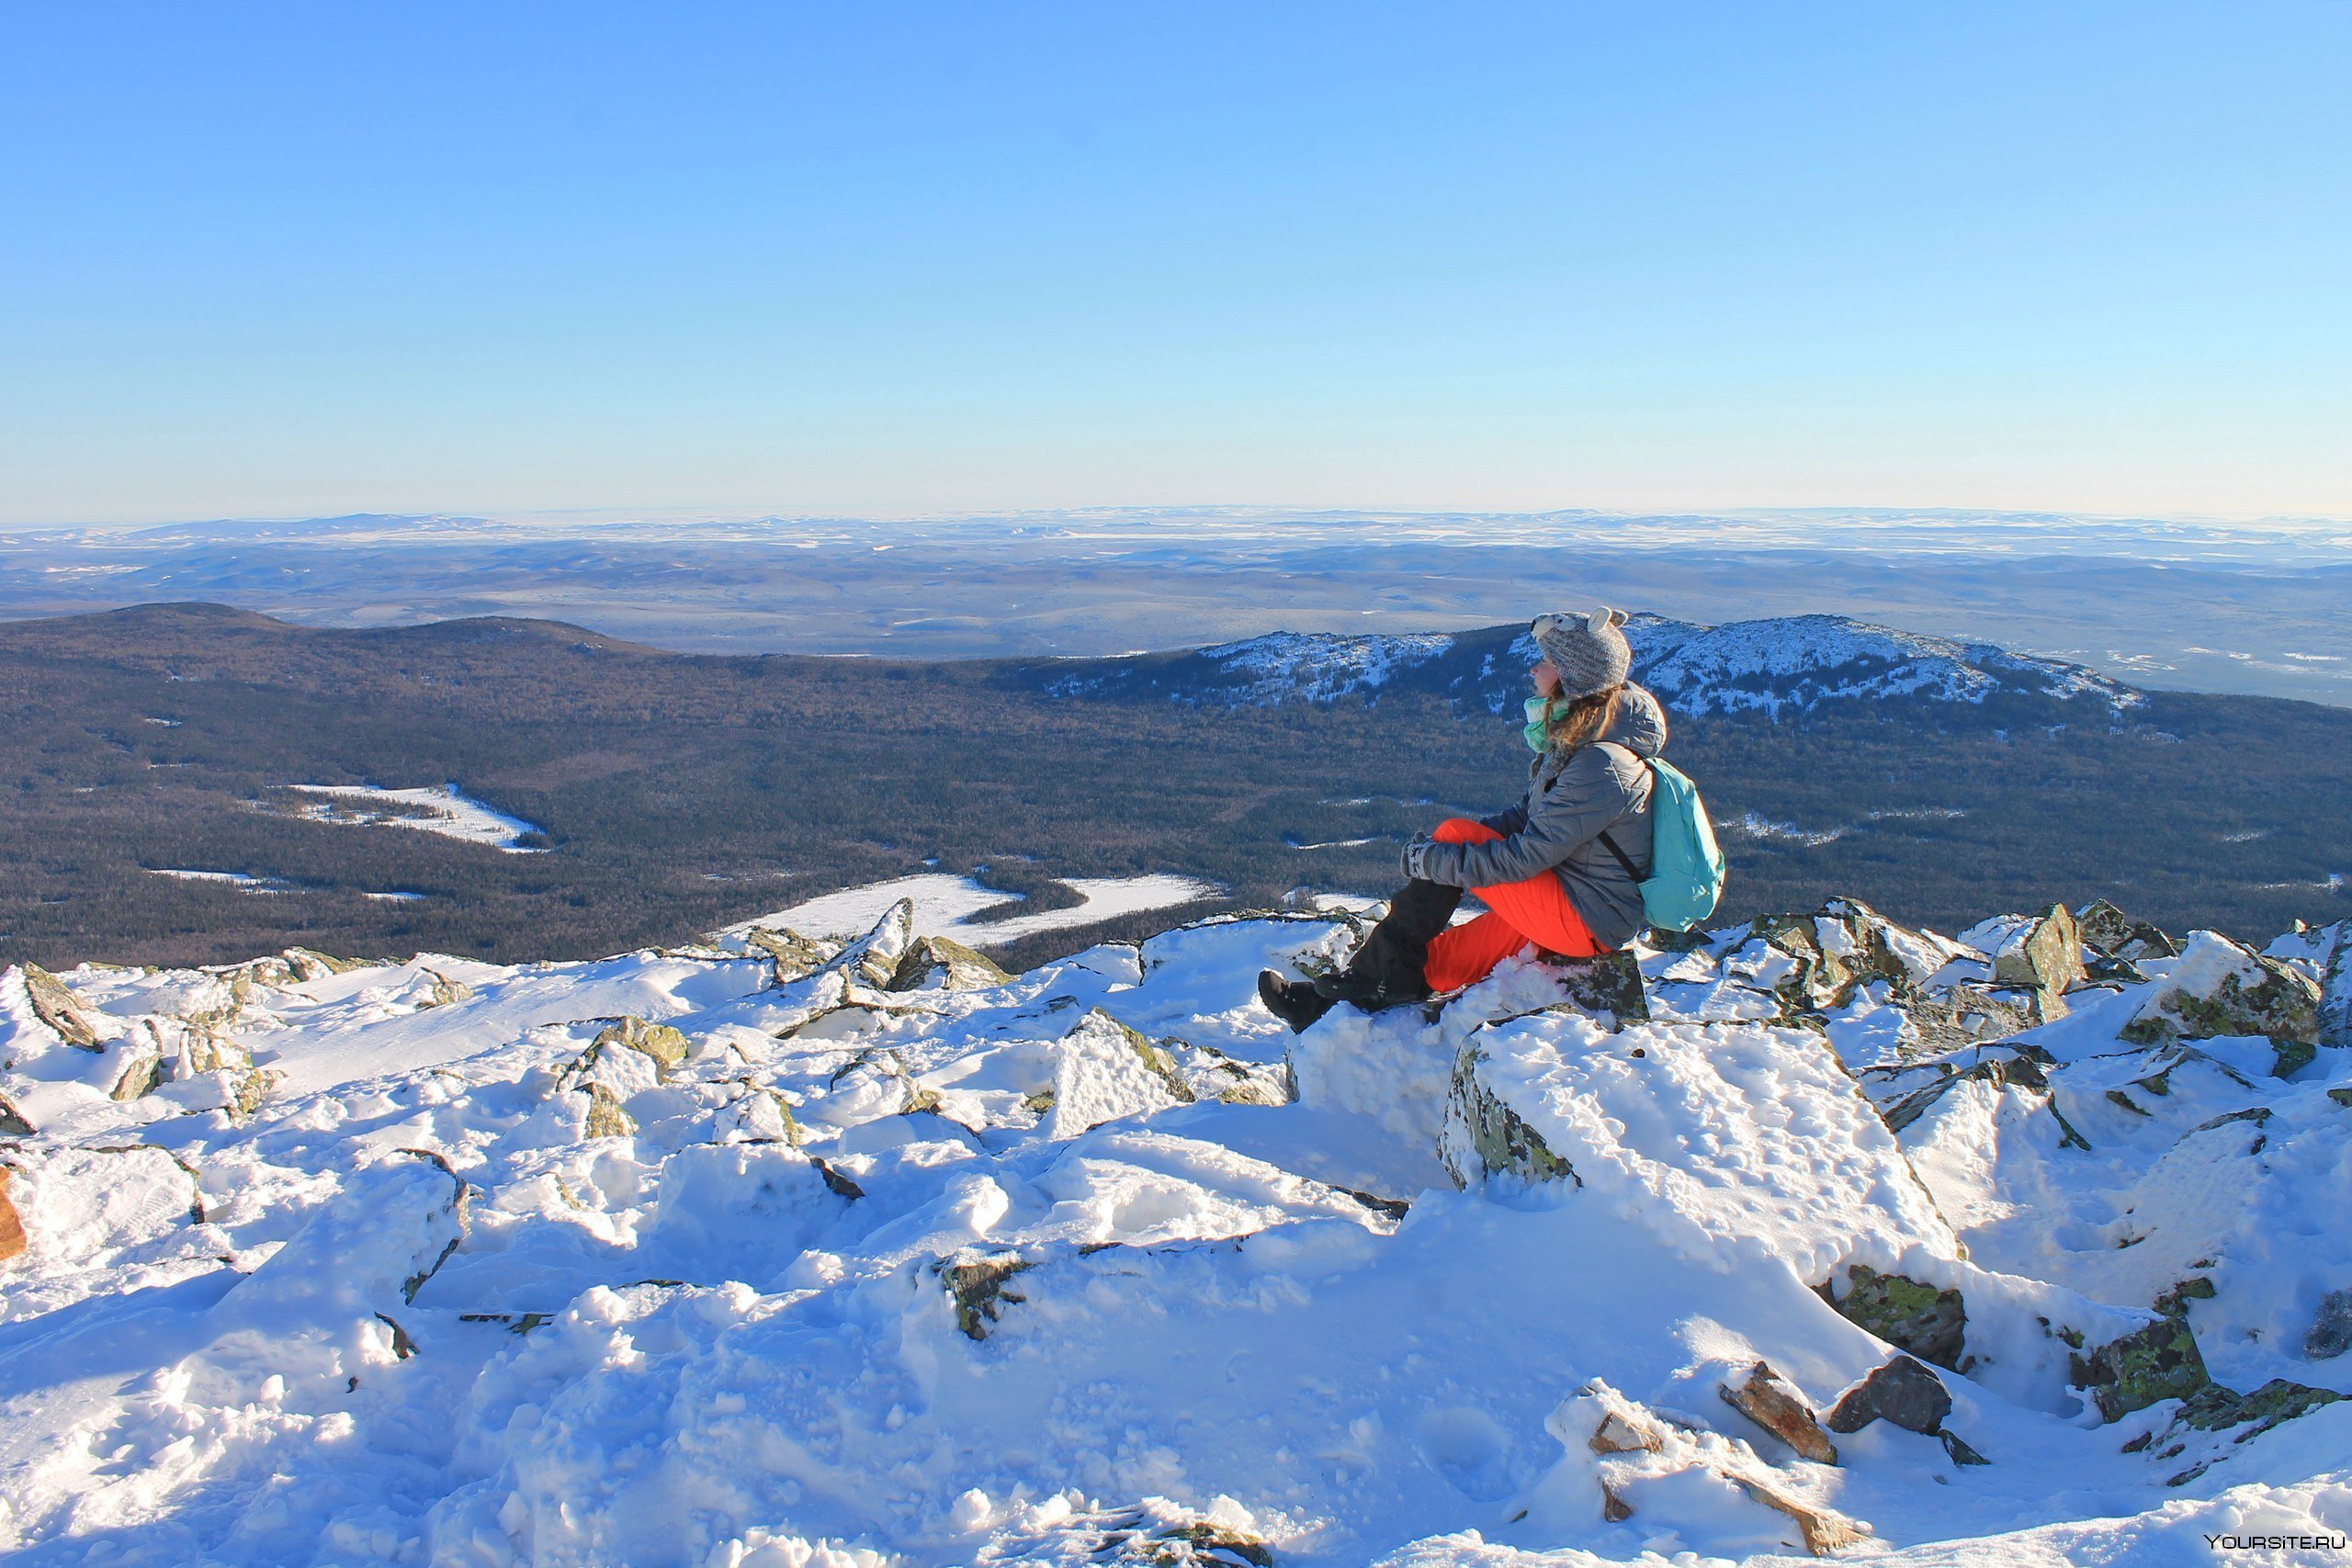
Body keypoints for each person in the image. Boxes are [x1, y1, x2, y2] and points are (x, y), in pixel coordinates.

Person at [1258, 608, 1668, 1032]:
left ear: (1571, 677)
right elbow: (1526, 820)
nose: (1535, 668)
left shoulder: (1598, 766)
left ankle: (1368, 979)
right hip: (1571, 900)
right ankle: (1320, 1008)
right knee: (1440, 960)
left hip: (1585, 919)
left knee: (1452, 835)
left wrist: (1436, 861)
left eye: (1545, 662)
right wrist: (1448, 855)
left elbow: (1526, 857)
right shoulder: (1580, 744)